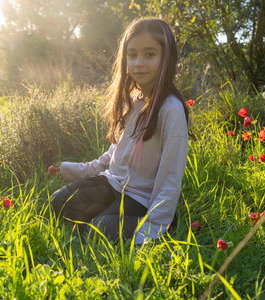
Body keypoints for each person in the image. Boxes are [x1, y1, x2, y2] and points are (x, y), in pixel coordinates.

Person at [49, 17, 190, 245]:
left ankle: (146, 221)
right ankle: (105, 217)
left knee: (99, 232)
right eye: (132, 54)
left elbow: (171, 175)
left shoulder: (170, 109)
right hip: (113, 185)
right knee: (59, 202)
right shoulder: (132, 100)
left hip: (141, 198)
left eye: (150, 54)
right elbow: (114, 155)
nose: (138, 63)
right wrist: (80, 170)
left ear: (167, 57)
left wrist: (154, 227)